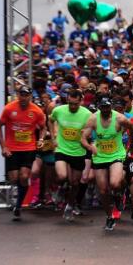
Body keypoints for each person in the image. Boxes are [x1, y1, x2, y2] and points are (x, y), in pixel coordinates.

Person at [81, 97, 133, 230]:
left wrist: (131, 144)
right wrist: (89, 147)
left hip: (116, 154)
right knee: (103, 190)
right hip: (100, 156)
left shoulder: (120, 119)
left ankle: (119, 194)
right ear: (99, 107)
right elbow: (82, 138)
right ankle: (109, 216)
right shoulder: (93, 119)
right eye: (103, 107)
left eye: (107, 107)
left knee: (115, 183)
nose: (105, 110)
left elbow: (132, 128)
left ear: (111, 107)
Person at [0, 86, 46, 220]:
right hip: (12, 148)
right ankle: (19, 192)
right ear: (18, 95)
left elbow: (43, 127)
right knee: (13, 178)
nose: (23, 98)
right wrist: (3, 147)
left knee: (24, 176)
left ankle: (18, 206)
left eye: (26, 95)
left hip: (28, 148)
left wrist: (40, 139)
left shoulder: (36, 111)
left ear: (30, 96)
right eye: (21, 95)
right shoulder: (9, 109)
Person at [49, 88, 91, 221]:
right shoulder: (58, 110)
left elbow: (92, 128)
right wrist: (53, 139)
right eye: (70, 103)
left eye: (76, 104)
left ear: (80, 102)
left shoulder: (87, 114)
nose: (73, 106)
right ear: (67, 100)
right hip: (62, 149)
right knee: (62, 175)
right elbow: (50, 120)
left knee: (75, 183)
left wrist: (86, 132)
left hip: (78, 151)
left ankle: (70, 205)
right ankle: (59, 187)